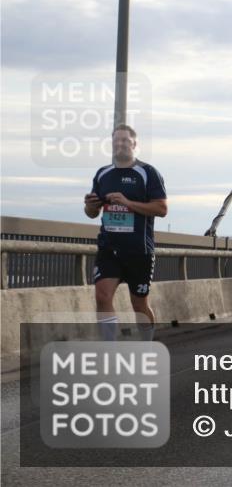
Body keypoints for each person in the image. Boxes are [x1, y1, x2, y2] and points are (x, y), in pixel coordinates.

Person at [84, 125, 167, 342]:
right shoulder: (103, 174)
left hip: (138, 250)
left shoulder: (147, 173)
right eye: (116, 141)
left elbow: (161, 209)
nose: (120, 145)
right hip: (109, 247)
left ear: (134, 144)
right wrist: (91, 205)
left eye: (125, 141)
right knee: (102, 297)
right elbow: (92, 214)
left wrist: (127, 203)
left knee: (139, 305)